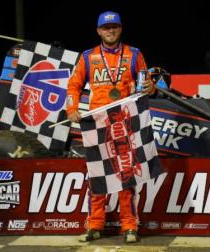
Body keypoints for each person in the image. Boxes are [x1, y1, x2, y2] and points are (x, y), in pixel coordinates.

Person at [66, 11, 154, 243]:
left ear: (121, 28)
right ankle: (94, 225)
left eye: (114, 27)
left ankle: (130, 226)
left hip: (125, 122)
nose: (110, 31)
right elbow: (73, 86)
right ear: (98, 31)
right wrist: (71, 108)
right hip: (97, 124)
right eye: (106, 28)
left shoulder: (135, 54)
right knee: (97, 176)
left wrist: (149, 86)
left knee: (127, 175)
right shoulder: (88, 56)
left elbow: (148, 86)